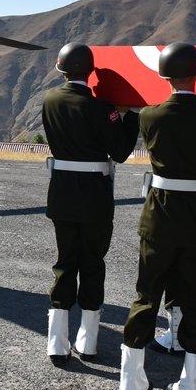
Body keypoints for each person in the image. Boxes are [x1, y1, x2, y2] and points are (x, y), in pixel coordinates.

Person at [119, 43, 196, 390]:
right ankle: (193, 388)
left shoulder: (149, 116)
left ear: (164, 77)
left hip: (160, 217)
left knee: (146, 295)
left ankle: (131, 381)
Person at [41, 43, 140, 368]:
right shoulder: (102, 108)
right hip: (95, 197)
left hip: (63, 194)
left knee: (64, 262)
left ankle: (57, 342)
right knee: (93, 263)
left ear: (62, 68)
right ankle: (88, 340)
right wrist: (128, 117)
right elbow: (122, 152)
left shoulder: (50, 100)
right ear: (90, 71)